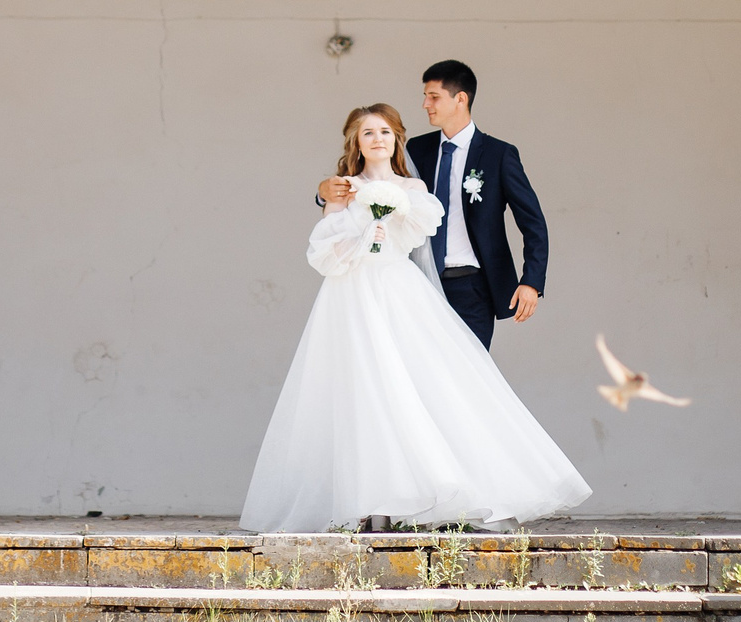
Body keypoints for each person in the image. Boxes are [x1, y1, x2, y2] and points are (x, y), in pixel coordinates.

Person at [240, 102, 588, 533]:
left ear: (396, 139)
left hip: (399, 291)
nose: (378, 139)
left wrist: (390, 224)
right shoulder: (342, 189)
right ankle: (372, 504)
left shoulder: (414, 188)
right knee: (362, 393)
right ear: (356, 142)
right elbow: (322, 251)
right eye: (368, 133)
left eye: (385, 132)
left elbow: (417, 236)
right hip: (351, 296)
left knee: (420, 388)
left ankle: (442, 491)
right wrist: (360, 235)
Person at [319, 60, 546, 350]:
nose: (425, 104)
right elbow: (377, 186)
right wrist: (325, 192)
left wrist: (531, 281)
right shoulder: (417, 149)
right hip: (417, 283)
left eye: (434, 96)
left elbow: (532, 222)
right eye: (425, 96)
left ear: (460, 99)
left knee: (468, 373)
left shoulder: (498, 155)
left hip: (471, 286)